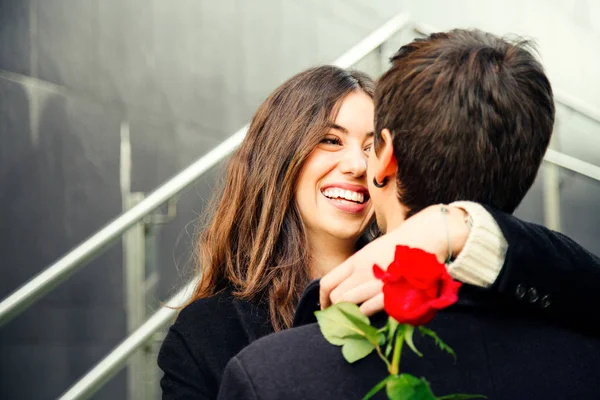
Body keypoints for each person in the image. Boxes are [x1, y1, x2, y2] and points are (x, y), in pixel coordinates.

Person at [217, 29, 600, 400]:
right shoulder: (584, 357)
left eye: (369, 146)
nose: (355, 164)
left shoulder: (270, 376)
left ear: (384, 156)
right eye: (330, 140)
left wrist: (452, 226)